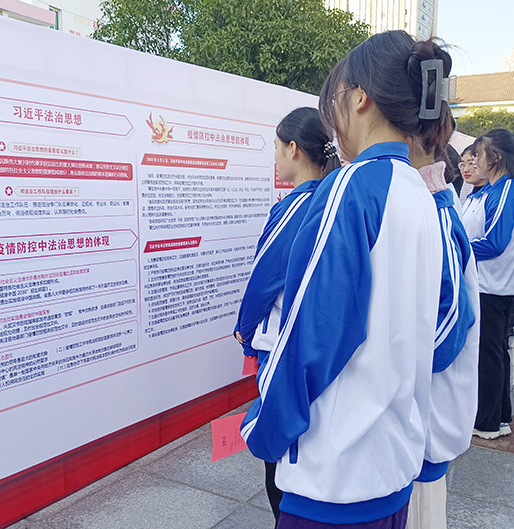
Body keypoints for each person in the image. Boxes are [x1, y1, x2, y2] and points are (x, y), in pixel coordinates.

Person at [241, 30, 447, 528]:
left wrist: (262, 426)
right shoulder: (419, 194)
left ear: (359, 98)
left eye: (333, 100)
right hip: (390, 471)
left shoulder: (352, 187)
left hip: (334, 481)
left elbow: (311, 336)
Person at [234, 106, 340, 527]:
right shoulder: (333, 200)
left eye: (277, 148)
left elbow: (263, 280)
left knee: (277, 452)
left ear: (294, 149)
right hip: (318, 344)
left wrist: (244, 329)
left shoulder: (296, 207)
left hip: (280, 343)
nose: (276, 157)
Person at [405, 148, 479, 529]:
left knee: (422, 512)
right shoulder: (431, 205)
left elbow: (452, 320)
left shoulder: (435, 211)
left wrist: (396, 370)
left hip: (426, 419)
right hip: (419, 415)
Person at [467, 129, 514, 439]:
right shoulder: (493, 190)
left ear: (496, 158)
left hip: (493, 286)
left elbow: (495, 242)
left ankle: (487, 422)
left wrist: (456, 247)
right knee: (494, 352)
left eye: (479, 155)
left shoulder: (505, 192)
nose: (475, 161)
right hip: (491, 284)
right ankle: (498, 418)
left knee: (488, 355)